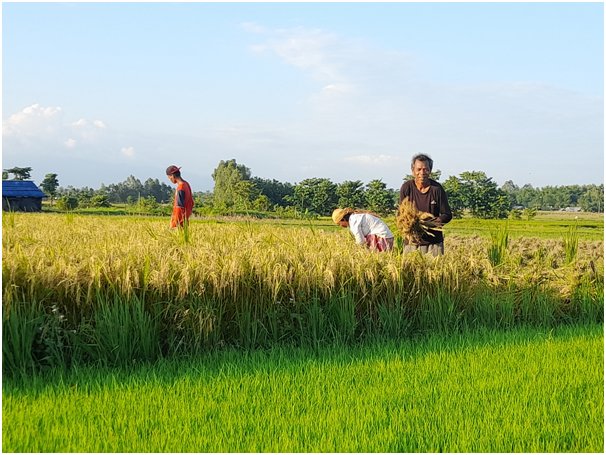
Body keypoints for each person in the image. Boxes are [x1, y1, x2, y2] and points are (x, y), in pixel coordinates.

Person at [399, 153, 452, 256]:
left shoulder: (437, 189)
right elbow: (401, 213)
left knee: (434, 271)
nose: (422, 173)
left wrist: (433, 223)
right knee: (411, 270)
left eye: (425, 169)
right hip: (412, 242)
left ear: (430, 171)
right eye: (418, 169)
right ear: (413, 170)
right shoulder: (407, 188)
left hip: (434, 243)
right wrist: (408, 224)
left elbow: (447, 214)